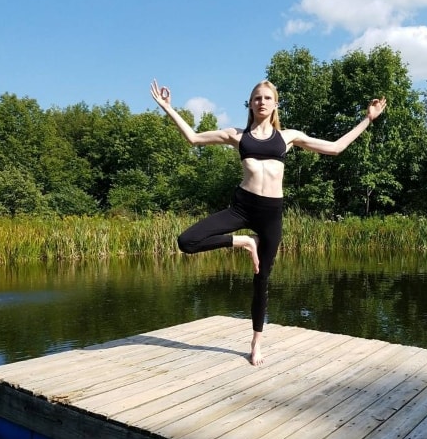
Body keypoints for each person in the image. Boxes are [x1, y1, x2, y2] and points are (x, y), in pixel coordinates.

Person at [150, 78, 386, 365]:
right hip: (242, 207)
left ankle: (256, 343)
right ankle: (245, 241)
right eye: (256, 98)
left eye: (266, 98)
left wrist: (367, 119)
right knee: (186, 241)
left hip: (271, 214)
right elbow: (193, 137)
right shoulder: (237, 135)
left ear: (275, 104)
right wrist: (167, 108)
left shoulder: (288, 137)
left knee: (262, 280)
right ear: (250, 104)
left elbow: (335, 148)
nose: (261, 102)